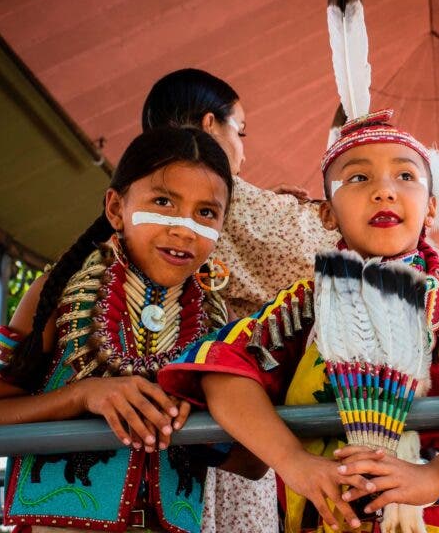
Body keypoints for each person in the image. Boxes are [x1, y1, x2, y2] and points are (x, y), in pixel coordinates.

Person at [158, 109, 439, 532]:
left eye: (405, 177)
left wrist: (435, 477)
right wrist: (294, 462)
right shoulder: (301, 307)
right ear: (326, 214)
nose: (384, 191)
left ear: (430, 207)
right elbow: (220, 370)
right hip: (319, 517)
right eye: (358, 178)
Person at [0, 128, 235, 532]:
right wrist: (83, 395)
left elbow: (252, 463)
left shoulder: (219, 325)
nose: (184, 228)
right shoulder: (58, 291)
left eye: (206, 213)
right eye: (163, 202)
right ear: (115, 208)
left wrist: (206, 416)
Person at [142, 67, 338, 533]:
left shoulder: (138, 201)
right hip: (223, 426)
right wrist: (322, 211)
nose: (244, 150)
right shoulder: (226, 192)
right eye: (241, 131)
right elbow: (330, 253)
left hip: (155, 425)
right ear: (211, 125)